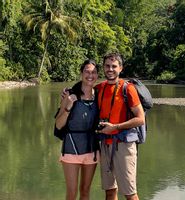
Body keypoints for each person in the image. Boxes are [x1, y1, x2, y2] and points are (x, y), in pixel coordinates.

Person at [95, 52, 145, 200]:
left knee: (130, 193)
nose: (110, 69)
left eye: (114, 66)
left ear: (121, 68)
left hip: (124, 145)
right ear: (103, 68)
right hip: (105, 144)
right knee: (110, 191)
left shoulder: (127, 88)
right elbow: (82, 92)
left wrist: (115, 127)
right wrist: (67, 93)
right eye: (107, 66)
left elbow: (140, 119)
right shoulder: (99, 88)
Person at [55, 59, 100, 200]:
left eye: (93, 72)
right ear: (81, 73)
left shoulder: (99, 95)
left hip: (91, 149)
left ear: (98, 75)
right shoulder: (69, 94)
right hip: (71, 148)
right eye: (87, 71)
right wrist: (68, 106)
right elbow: (58, 125)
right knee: (72, 193)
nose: (90, 75)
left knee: (85, 191)